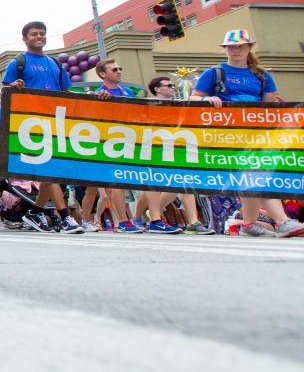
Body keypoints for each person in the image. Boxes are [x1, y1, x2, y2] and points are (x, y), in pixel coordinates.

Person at [190, 29, 304, 238]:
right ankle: (282, 221)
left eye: (240, 46)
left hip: (256, 134)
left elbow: (269, 106)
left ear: (248, 48)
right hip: (227, 134)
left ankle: (249, 224)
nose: (235, 50)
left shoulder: (261, 76)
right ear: (225, 49)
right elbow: (193, 98)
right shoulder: (214, 73)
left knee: (249, 176)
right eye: (231, 46)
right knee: (255, 174)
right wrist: (207, 100)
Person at [0, 21, 84, 234]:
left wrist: (90, 98)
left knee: (52, 170)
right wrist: (14, 87)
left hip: (56, 122)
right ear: (25, 39)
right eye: (34, 34)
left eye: (42, 34)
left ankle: (35, 211)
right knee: (49, 169)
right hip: (31, 123)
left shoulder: (55, 63)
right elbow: (4, 93)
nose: (39, 37)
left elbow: (66, 92)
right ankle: (65, 217)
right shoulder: (17, 63)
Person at [85, 58, 155, 234]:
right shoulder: (99, 92)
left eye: (120, 68)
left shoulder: (128, 92)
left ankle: (145, 218)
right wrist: (95, 98)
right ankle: (122, 222)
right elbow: (87, 108)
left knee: (144, 179)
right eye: (114, 69)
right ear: (102, 74)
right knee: (116, 182)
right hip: (110, 141)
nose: (119, 71)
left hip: (131, 139)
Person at [146, 75, 214, 235]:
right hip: (158, 149)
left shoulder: (179, 104)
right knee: (161, 184)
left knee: (185, 181)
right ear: (157, 89)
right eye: (168, 85)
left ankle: (193, 222)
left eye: (173, 85)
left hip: (178, 147)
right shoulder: (149, 105)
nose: (172, 87)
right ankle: (151, 214)